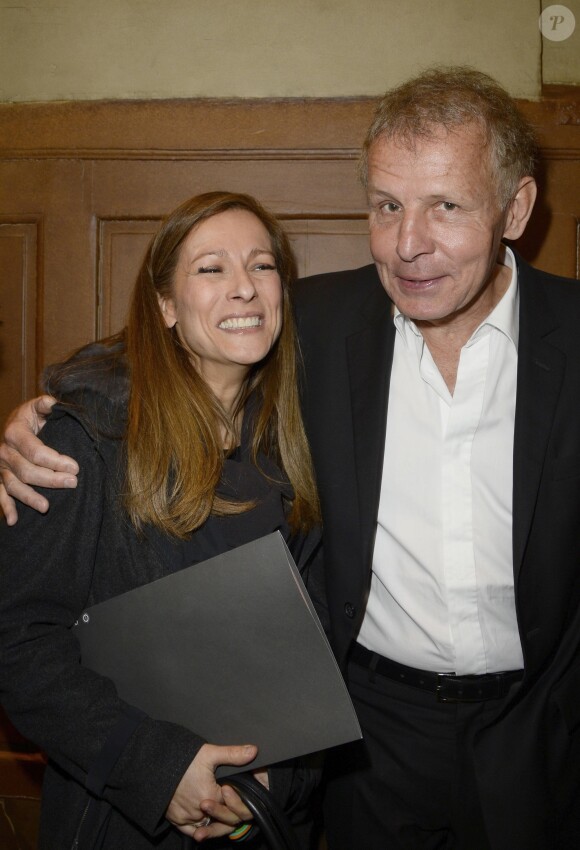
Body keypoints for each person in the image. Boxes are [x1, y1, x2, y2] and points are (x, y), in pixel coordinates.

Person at [2, 67, 580, 850]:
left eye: (446, 205)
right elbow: (182, 338)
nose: (410, 245)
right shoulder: (322, 322)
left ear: (515, 208)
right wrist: (47, 414)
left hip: (544, 729)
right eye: (386, 206)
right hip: (368, 739)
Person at [0, 190, 324, 849]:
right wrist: (156, 766)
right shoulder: (85, 439)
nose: (244, 288)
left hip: (267, 824)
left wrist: (284, 776)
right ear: (166, 307)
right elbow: (18, 645)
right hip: (128, 824)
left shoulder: (294, 442)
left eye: (262, 266)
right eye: (211, 269)